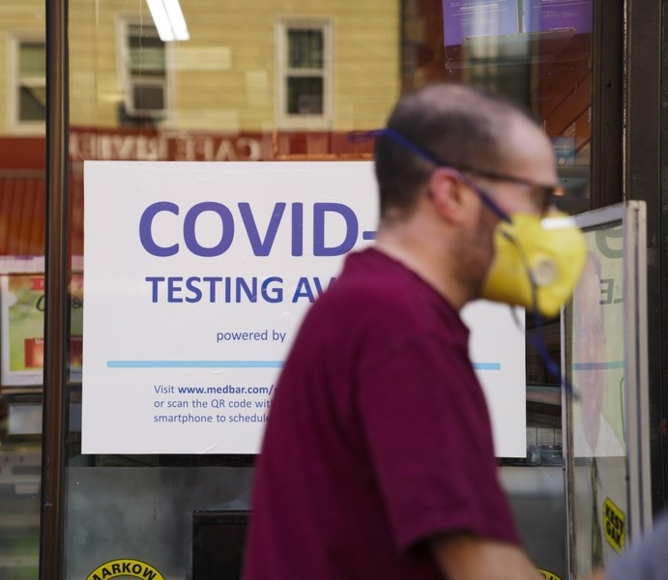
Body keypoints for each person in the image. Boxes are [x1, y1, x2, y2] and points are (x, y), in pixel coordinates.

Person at [243, 83, 580, 579]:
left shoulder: (370, 303)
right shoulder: (403, 329)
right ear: (452, 194)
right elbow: (484, 570)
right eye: (537, 198)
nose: (551, 222)